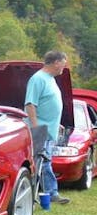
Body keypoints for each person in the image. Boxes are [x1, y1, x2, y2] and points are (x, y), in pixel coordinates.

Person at [25, 50, 70, 205]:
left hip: (49, 130)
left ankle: (38, 194)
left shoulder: (50, 79)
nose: (64, 67)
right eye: (64, 63)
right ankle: (51, 194)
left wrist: (57, 124)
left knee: (44, 162)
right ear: (56, 62)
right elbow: (30, 104)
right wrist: (36, 127)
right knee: (42, 162)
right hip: (40, 130)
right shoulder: (38, 79)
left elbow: (49, 104)